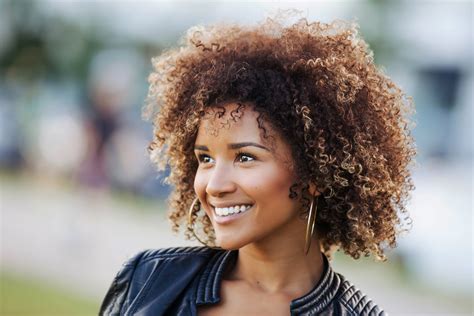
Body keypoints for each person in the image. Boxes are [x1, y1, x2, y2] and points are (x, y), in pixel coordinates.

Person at [100, 15, 415, 316]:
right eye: (205, 158)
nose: (214, 185)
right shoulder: (147, 282)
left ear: (314, 173)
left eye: (245, 157)